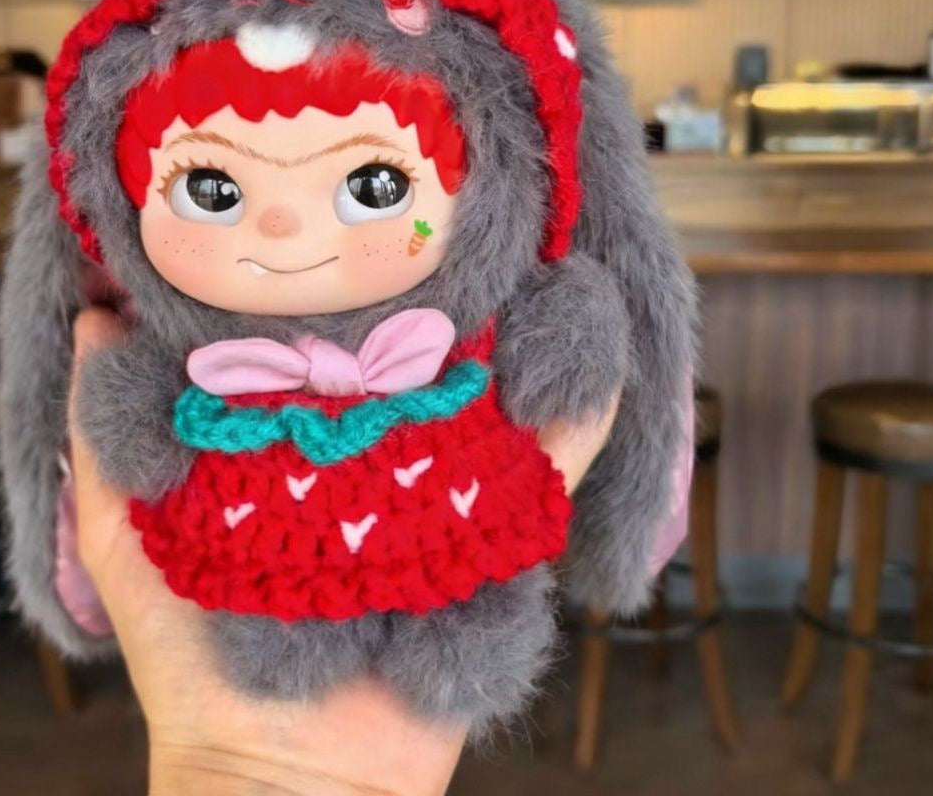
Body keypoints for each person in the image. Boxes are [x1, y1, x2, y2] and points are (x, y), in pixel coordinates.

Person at [67, 305, 618, 795]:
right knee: (279, 618)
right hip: (262, 537)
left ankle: (455, 618)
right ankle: (291, 620)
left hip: (450, 487)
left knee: (469, 595)